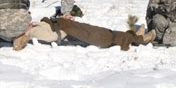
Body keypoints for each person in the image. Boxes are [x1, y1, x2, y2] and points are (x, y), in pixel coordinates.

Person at [14, 16, 156, 52]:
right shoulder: (34, 31)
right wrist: (27, 34)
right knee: (103, 37)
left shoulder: (37, 28)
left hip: (61, 25)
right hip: (60, 28)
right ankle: (137, 38)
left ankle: (136, 37)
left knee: (102, 35)